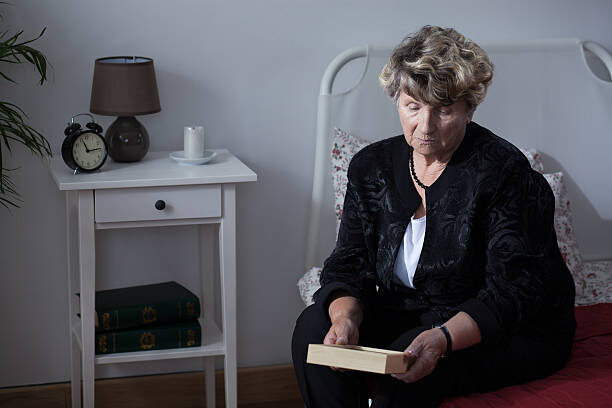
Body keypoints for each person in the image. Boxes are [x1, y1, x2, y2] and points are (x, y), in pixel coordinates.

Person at [292, 25, 576, 408]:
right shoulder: (370, 167)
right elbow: (349, 263)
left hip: (506, 325)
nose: (424, 126)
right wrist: (346, 320)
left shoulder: (505, 174)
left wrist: (441, 338)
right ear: (397, 100)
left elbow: (513, 292)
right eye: (413, 106)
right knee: (314, 327)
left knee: (405, 371)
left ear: (470, 109)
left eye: (443, 110)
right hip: (413, 310)